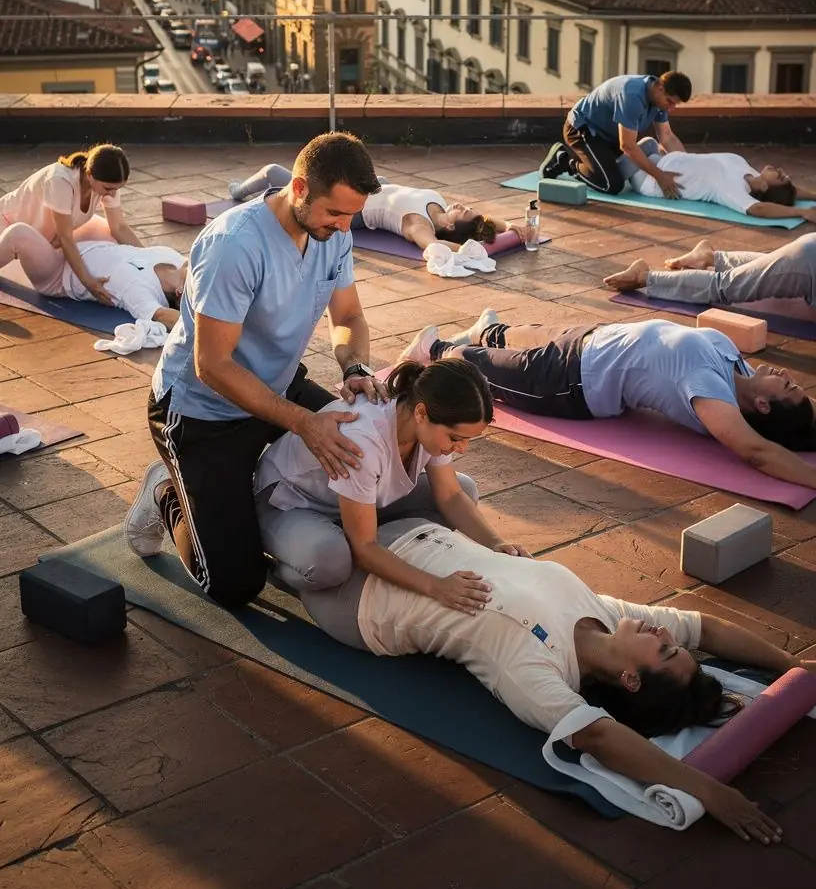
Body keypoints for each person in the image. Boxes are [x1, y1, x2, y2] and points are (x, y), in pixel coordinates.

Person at [302, 516, 816, 842]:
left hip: (354, 591)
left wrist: (708, 790)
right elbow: (709, 627)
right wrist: (793, 670)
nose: (663, 630)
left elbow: (595, 733)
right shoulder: (609, 617)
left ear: (629, 680)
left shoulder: (534, 669)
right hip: (411, 532)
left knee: (301, 529)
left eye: (664, 649)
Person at [124, 132, 387, 608]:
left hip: (276, 388)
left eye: (353, 215)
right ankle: (164, 490)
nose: (346, 228)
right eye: (336, 213)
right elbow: (213, 366)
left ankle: (240, 498)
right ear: (301, 189)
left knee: (363, 445)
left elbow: (347, 317)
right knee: (233, 583)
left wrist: (354, 366)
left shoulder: (333, 235)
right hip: (201, 412)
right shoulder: (235, 245)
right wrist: (304, 423)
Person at [398, 311, 816, 489]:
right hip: (595, 339)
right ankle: (490, 332)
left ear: (763, 406)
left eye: (788, 388)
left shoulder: (712, 392)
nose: (787, 376)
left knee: (468, 364)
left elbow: (756, 451)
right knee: (529, 336)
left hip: (570, 382)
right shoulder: (735, 364)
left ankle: (434, 350)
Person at [255, 356, 529, 601]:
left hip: (344, 505)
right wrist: (436, 587)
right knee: (333, 562)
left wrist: (496, 544)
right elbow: (364, 547)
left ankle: (360, 545)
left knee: (465, 490)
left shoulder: (424, 422)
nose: (461, 448)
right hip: (287, 503)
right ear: (422, 413)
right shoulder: (364, 442)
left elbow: (450, 495)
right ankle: (280, 567)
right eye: (456, 438)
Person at [229, 164, 515, 251]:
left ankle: (239, 192)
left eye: (463, 211)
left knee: (272, 174)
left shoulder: (418, 224)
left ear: (450, 226)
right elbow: (484, 222)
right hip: (378, 185)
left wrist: (474, 249)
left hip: (355, 210)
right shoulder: (442, 208)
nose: (462, 205)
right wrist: (512, 228)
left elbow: (432, 247)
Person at [0, 145, 135, 306]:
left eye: (117, 189)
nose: (113, 194)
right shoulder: (60, 180)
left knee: (110, 237)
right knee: (18, 233)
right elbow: (65, 238)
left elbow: (119, 227)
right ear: (90, 175)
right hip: (7, 228)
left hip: (48, 237)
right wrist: (88, 282)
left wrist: (152, 257)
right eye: (108, 189)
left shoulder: (107, 184)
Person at [540, 71, 692, 197]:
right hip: (583, 130)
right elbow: (627, 146)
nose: (671, 108)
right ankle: (565, 160)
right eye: (670, 102)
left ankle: (600, 163)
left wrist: (689, 166)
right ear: (660, 89)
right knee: (611, 184)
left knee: (648, 147)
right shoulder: (632, 96)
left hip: (610, 138)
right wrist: (660, 176)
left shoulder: (659, 102)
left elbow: (667, 136)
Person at [1, 226, 186, 328]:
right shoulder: (178, 260)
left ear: (180, 290)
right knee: (103, 221)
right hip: (88, 244)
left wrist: (205, 329)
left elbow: (161, 315)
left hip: (59, 271)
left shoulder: (139, 290)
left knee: (19, 234)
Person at [604, 234, 816, 310]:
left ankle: (711, 257)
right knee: (725, 287)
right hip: (808, 262)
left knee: (771, 268)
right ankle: (644, 277)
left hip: (807, 257)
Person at [619, 140, 813, 221]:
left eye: (779, 176)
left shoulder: (734, 190)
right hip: (661, 161)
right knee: (647, 144)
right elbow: (790, 190)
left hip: (650, 181)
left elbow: (758, 209)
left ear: (764, 187)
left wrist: (802, 212)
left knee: (623, 156)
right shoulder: (750, 172)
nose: (779, 170)